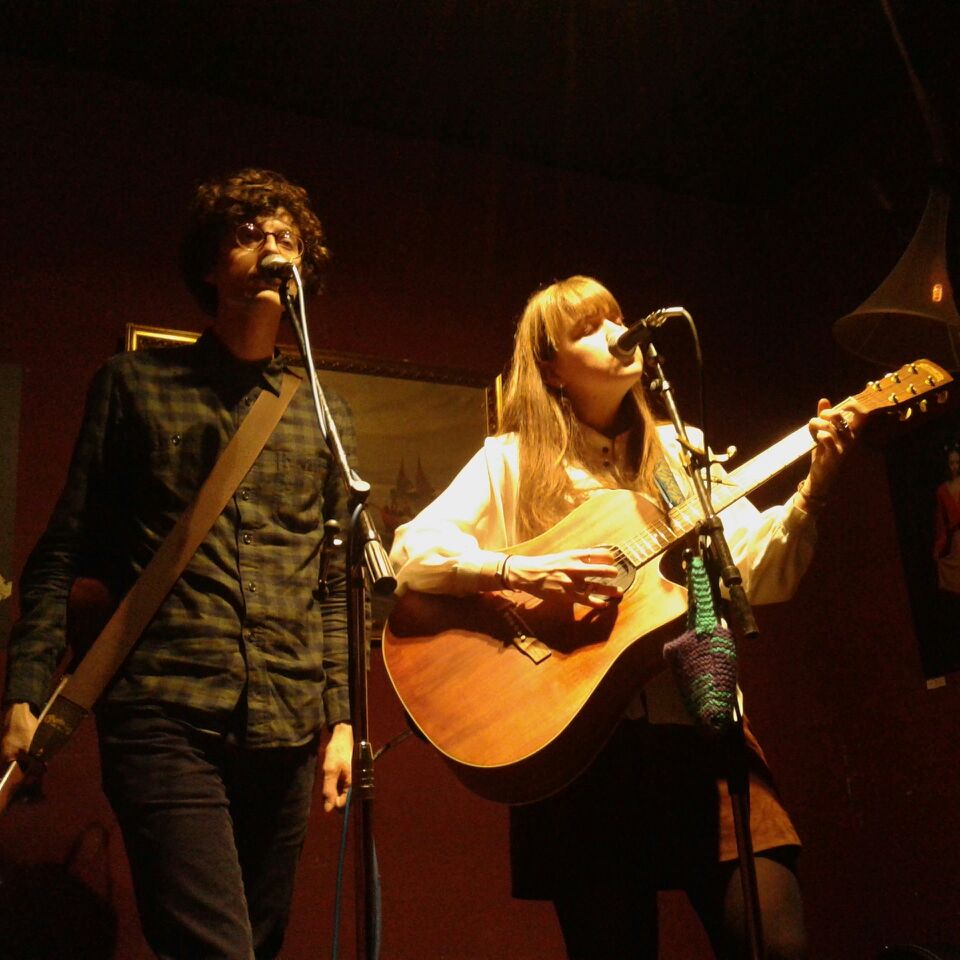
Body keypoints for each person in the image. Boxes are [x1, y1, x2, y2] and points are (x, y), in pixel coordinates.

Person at [389, 276, 855, 960]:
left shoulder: (682, 452)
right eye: (588, 328)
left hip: (700, 731)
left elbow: (760, 572)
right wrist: (516, 569)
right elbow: (412, 554)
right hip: (580, 753)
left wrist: (814, 487)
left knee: (776, 946)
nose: (617, 333)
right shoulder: (509, 462)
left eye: (616, 318)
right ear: (552, 368)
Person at [1, 168, 355, 960]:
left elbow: (334, 585)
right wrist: (24, 691)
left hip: (287, 726)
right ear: (209, 265)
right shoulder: (133, 385)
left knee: (256, 944)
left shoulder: (323, 412)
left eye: (287, 238)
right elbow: (61, 551)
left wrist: (340, 720)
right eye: (249, 234)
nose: (273, 248)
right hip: (164, 713)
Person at [934, 444, 960, 594]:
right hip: (957, 538)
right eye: (951, 463)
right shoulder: (942, 491)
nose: (955, 467)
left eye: (957, 462)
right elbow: (941, 523)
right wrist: (938, 548)